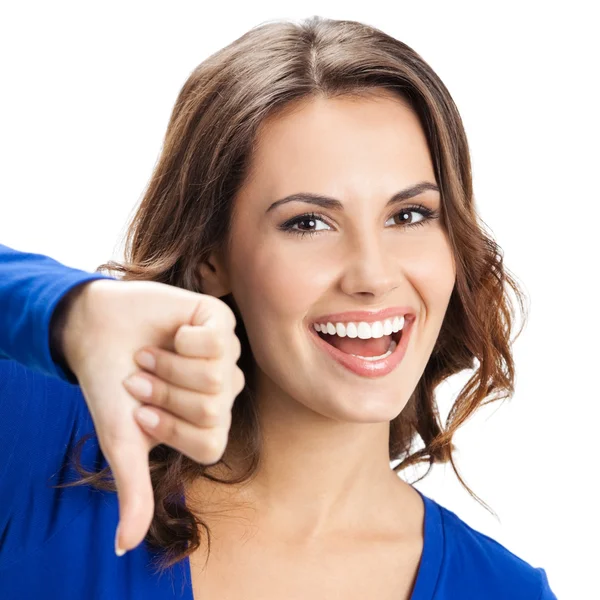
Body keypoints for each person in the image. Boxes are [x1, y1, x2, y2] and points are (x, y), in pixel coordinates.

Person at [0, 15, 557, 600]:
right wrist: (66, 310)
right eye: (309, 223)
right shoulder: (48, 444)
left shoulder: (503, 590)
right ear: (213, 257)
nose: (372, 275)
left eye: (409, 215)